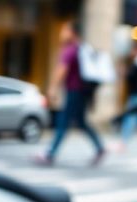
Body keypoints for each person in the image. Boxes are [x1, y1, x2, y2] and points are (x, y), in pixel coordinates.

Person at [35, 20, 106, 166]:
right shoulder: (83, 48)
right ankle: (100, 148)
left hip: (74, 91)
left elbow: (61, 70)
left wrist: (52, 88)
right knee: (80, 122)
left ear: (72, 32)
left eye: (65, 30)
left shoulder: (70, 49)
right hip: (83, 91)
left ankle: (50, 153)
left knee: (63, 121)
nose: (62, 33)